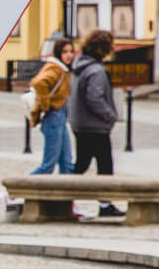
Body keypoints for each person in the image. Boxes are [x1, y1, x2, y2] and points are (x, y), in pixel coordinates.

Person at [70, 29, 124, 217]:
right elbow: (95, 98)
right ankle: (105, 205)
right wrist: (110, 116)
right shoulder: (96, 70)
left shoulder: (79, 66)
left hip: (80, 123)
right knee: (104, 165)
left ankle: (62, 197)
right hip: (95, 126)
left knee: (81, 164)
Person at [26, 39, 75, 177]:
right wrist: (46, 105)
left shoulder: (63, 69)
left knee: (67, 163)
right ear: (58, 53)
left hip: (60, 118)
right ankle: (15, 192)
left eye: (71, 51)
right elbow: (39, 83)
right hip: (54, 117)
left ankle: (65, 197)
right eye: (65, 52)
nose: (69, 55)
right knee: (48, 166)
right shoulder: (55, 68)